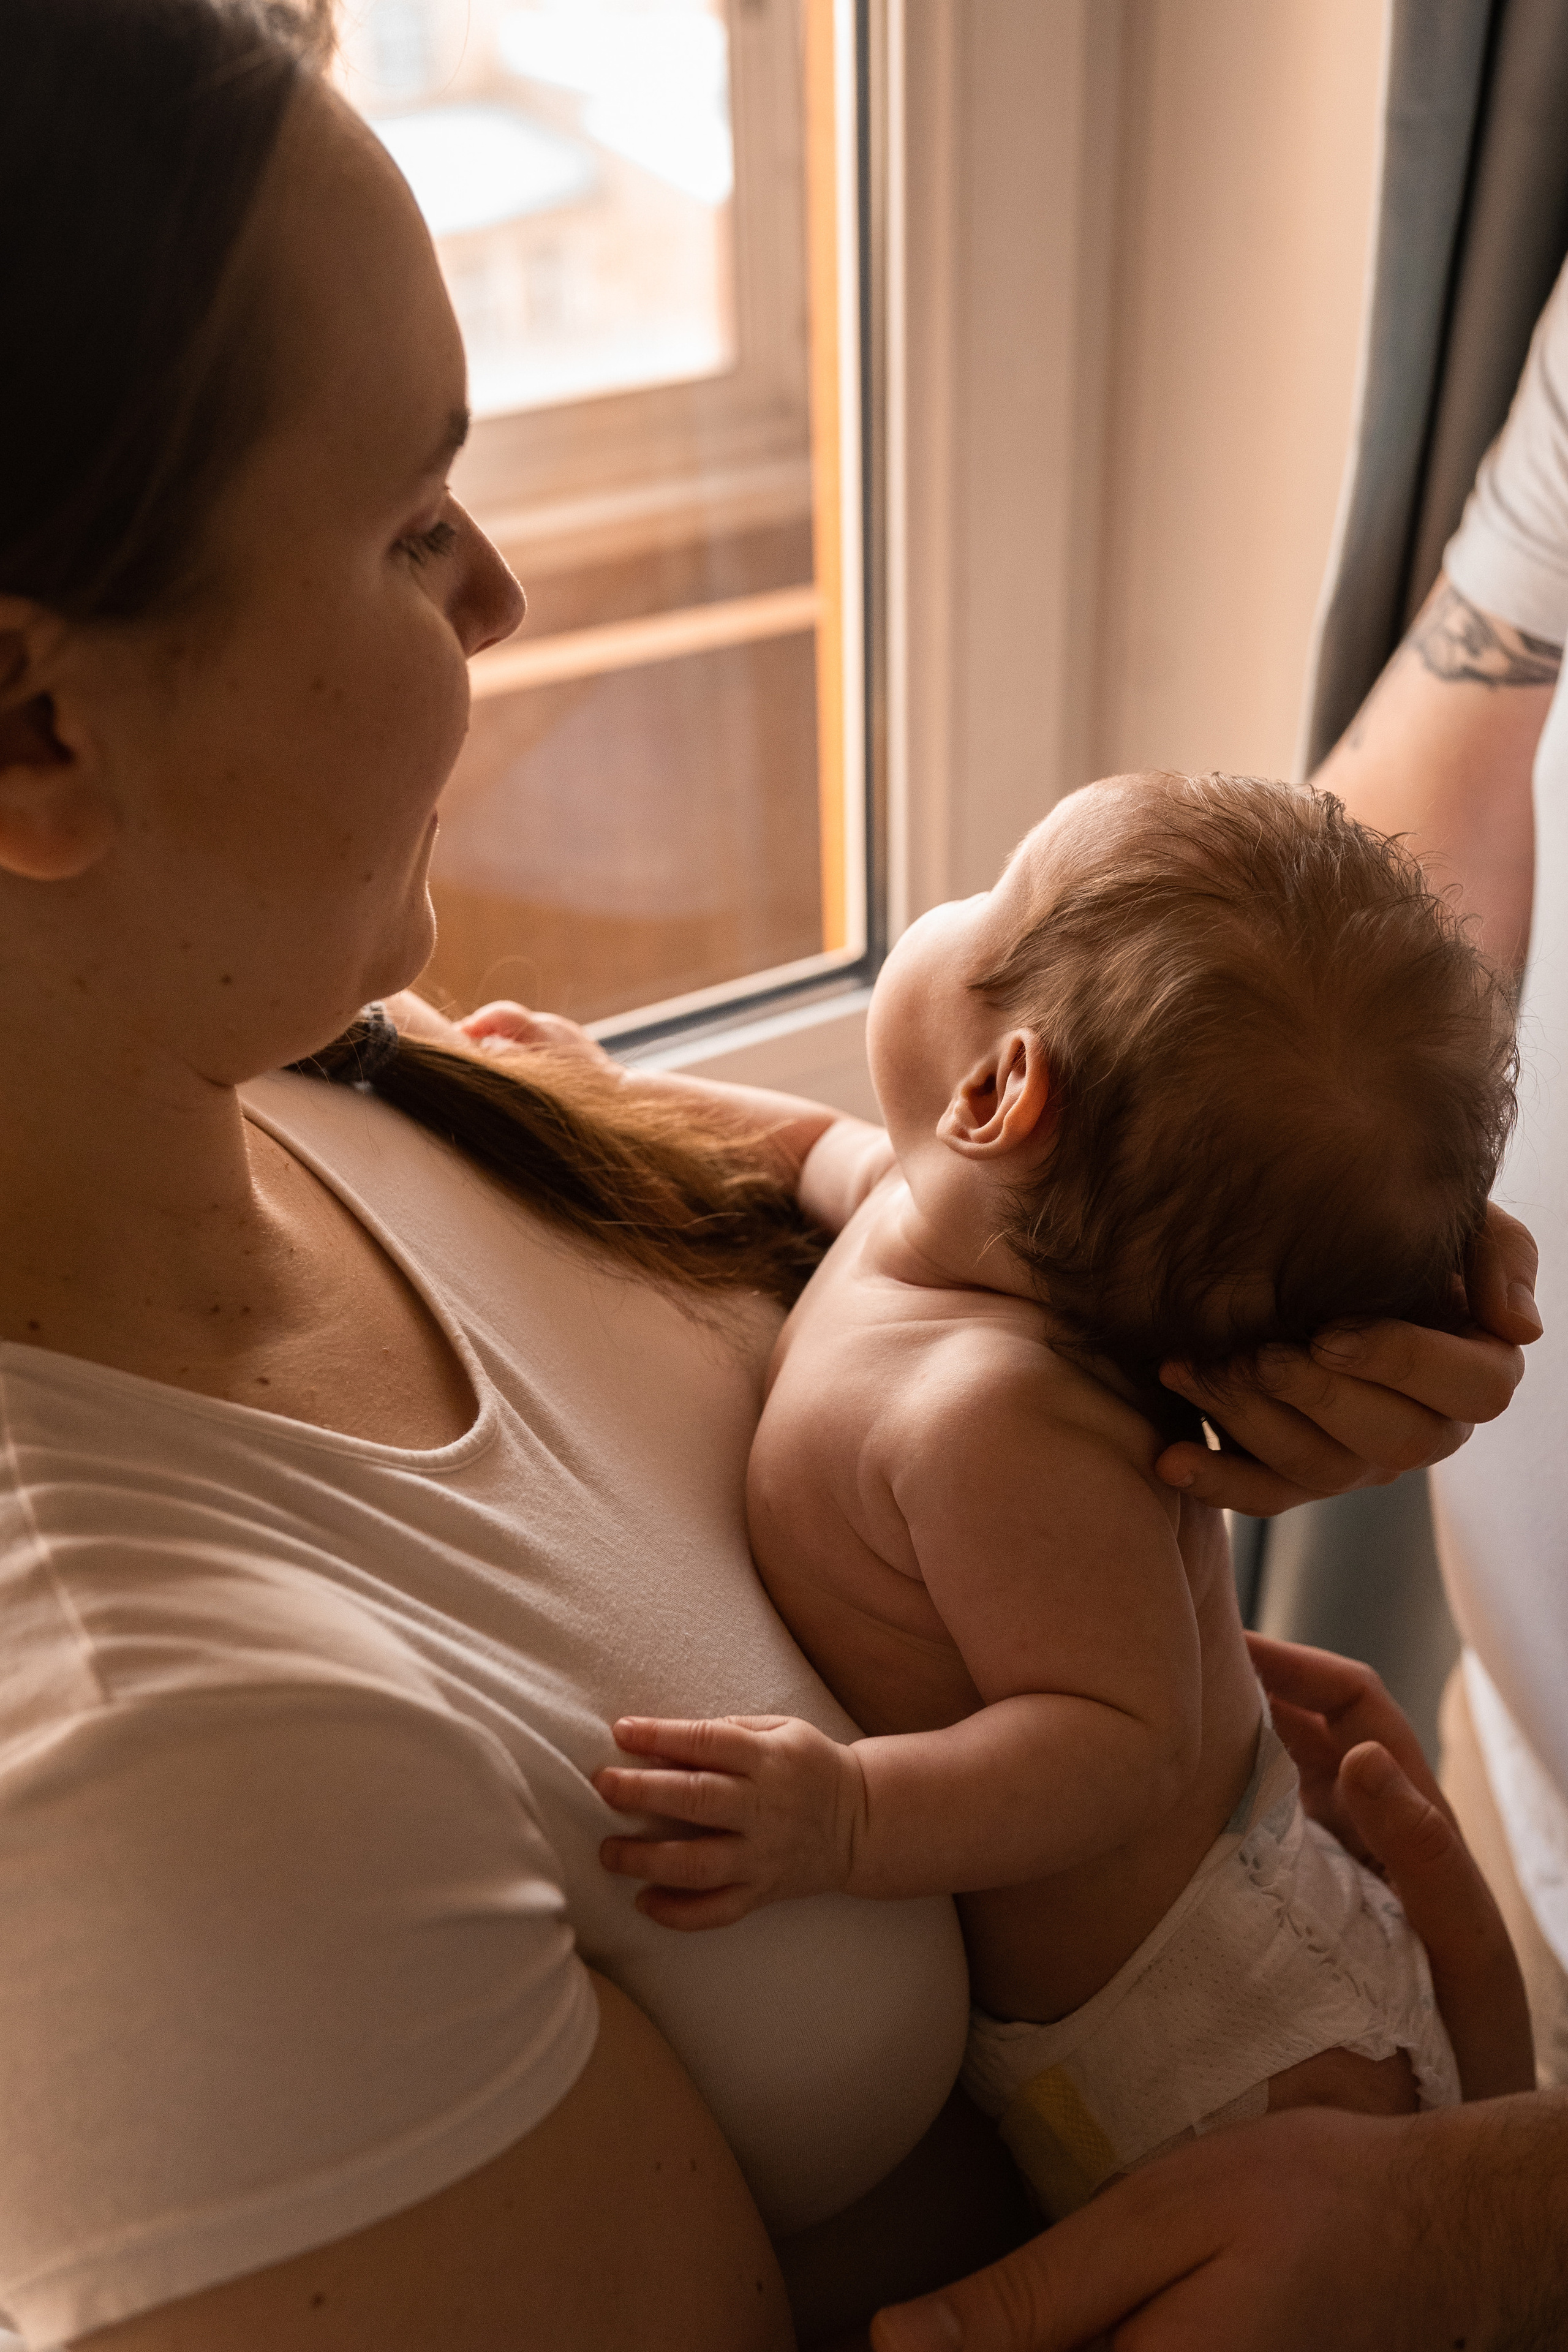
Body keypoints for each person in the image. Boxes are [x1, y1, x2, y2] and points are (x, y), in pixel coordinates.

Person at [0, 4, 1542, 2347]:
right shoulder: (151, 1762)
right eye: (413, 518)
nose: (504, 598)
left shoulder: (317, 1064)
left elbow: (845, 1225)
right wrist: (1451, 2235)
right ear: (39, 733)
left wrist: (1252, 1307)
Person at [869, 242, 1568, 2352]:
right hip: (1502, 1798)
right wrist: (1283, 1210)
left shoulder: (972, 1430)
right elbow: (1414, 823)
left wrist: (1486, 2225)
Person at [595, 774, 1528, 2217]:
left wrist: (843, 1818)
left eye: (984, 898)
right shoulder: (940, 1230)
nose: (944, 906)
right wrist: (596, 1094)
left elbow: (1121, 1742)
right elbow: (809, 1155)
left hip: (1232, 2051)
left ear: (994, 1093)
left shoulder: (995, 1420)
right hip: (1140, 2021)